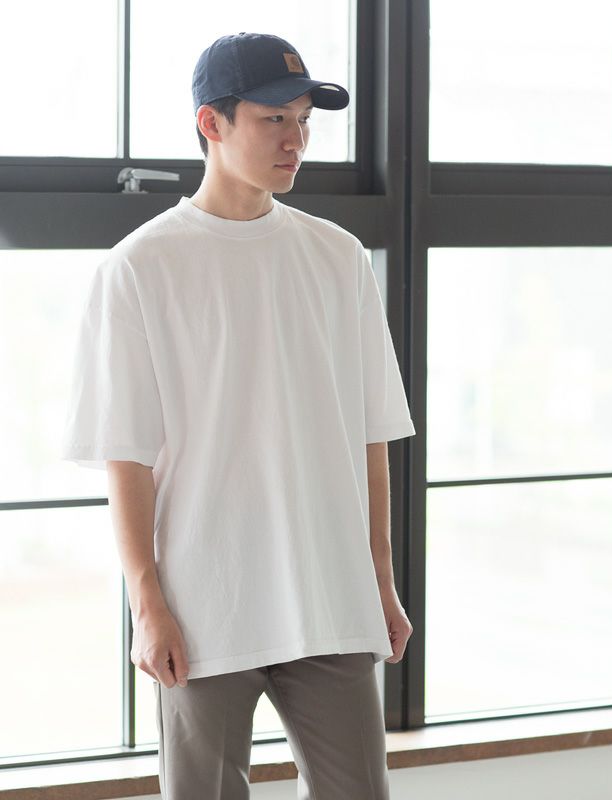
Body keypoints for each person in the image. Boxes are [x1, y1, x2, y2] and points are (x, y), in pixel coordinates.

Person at [60, 31, 416, 800]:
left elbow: (370, 436)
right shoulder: (140, 267)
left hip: (328, 593)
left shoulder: (339, 258)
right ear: (211, 123)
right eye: (273, 119)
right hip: (204, 604)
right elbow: (127, 455)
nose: (296, 141)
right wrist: (148, 604)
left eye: (303, 121)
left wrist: (380, 580)